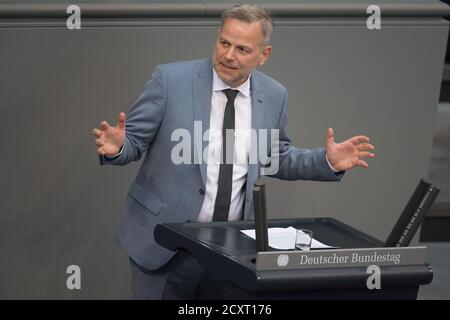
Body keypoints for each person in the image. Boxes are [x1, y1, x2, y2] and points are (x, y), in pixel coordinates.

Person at [92, 4, 375, 299]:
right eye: (224, 43)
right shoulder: (170, 80)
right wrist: (118, 147)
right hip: (165, 244)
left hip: (230, 253)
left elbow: (275, 156)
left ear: (263, 55)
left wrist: (327, 161)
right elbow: (133, 142)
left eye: (242, 49)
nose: (228, 55)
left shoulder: (274, 95)